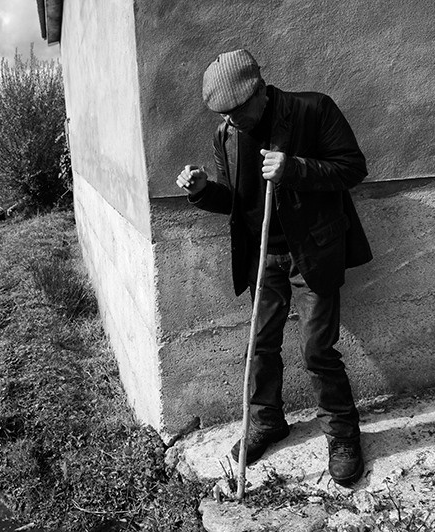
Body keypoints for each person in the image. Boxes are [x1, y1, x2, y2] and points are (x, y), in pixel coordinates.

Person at [175, 49, 372, 486]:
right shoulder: (226, 135)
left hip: (311, 252)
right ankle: (267, 422)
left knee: (316, 351)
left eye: (238, 110)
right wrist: (205, 191)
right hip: (262, 257)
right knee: (261, 345)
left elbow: (352, 168)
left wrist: (295, 168)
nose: (232, 121)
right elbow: (241, 203)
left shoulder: (312, 109)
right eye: (224, 114)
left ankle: (342, 435)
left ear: (260, 90)